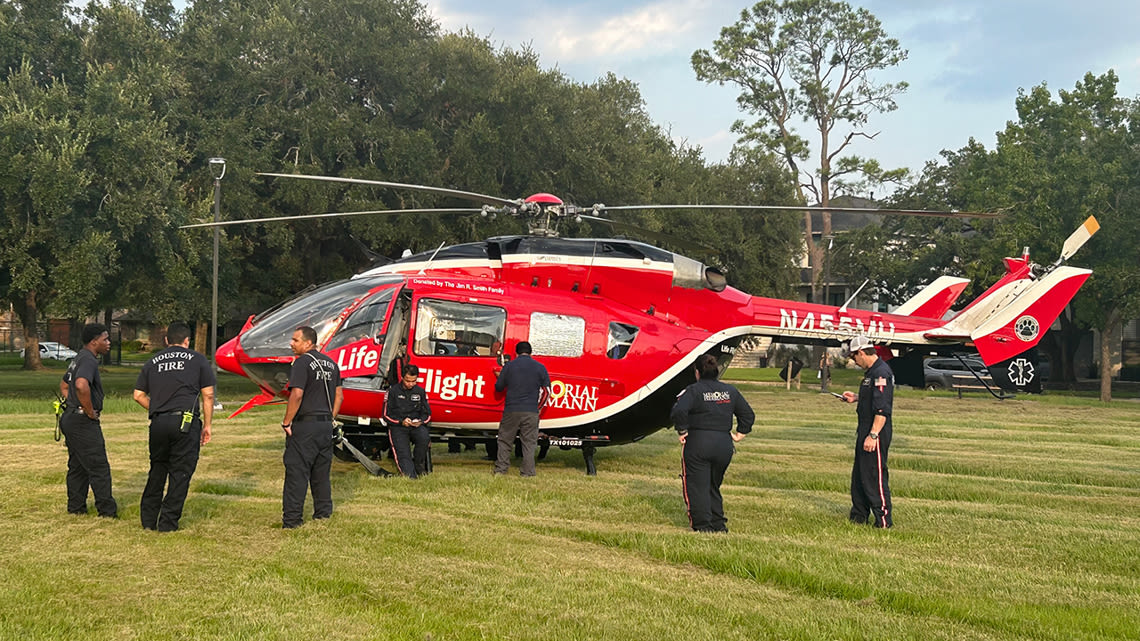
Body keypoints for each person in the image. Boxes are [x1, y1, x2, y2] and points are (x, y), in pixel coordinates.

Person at [132, 322, 216, 531]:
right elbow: (208, 394)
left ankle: (148, 520)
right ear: (187, 341)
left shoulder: (153, 361)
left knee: (158, 469)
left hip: (159, 422)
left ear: (167, 340)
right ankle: (168, 523)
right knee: (181, 472)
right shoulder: (198, 360)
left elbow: (138, 395)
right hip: (185, 422)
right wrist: (207, 425)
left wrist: (157, 408)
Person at [671, 353, 754, 533]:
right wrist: (741, 433)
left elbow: (679, 411)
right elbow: (747, 414)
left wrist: (682, 430)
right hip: (723, 445)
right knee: (712, 485)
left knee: (697, 485)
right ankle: (718, 524)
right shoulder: (730, 391)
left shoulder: (693, 390)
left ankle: (703, 526)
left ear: (697, 372)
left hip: (699, 442)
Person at [279, 326, 343, 529]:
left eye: (295, 340)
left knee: (297, 472)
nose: (291, 343)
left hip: (305, 425)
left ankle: (292, 520)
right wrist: (329, 418)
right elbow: (339, 396)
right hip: (324, 425)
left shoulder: (302, 363)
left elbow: (297, 394)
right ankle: (323, 513)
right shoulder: (332, 364)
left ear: (308, 343)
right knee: (321, 472)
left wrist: (287, 421)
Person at [58, 323, 117, 517]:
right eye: (105, 339)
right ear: (94, 341)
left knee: (78, 465)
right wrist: (88, 410)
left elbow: (64, 385)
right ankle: (107, 511)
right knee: (98, 466)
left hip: (70, 418)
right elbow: (81, 385)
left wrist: (74, 404)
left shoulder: (79, 357)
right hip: (82, 421)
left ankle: (76, 508)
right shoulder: (90, 360)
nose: (109, 343)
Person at [840, 335, 894, 528]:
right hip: (864, 429)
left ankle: (883, 520)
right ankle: (859, 516)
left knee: (874, 475)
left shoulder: (881, 374)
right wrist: (855, 398)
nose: (854, 361)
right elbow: (871, 397)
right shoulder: (871, 373)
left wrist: (873, 435)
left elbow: (882, 409)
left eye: (854, 357)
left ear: (861, 352)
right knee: (860, 475)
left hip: (875, 432)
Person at [493, 340, 550, 476]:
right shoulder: (540, 367)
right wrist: (539, 408)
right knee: (529, 443)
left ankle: (501, 470)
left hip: (511, 409)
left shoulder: (509, 366)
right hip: (531, 410)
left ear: (516, 353)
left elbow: (499, 387)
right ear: (530, 352)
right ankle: (527, 472)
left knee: (505, 440)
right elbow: (547, 392)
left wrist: (501, 377)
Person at [384, 363, 432, 478]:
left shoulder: (420, 391)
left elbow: (428, 414)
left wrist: (421, 421)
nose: (410, 384)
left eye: (413, 381)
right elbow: (386, 415)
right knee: (406, 462)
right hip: (398, 426)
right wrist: (401, 422)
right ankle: (410, 474)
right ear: (402, 378)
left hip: (415, 426)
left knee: (424, 438)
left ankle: (418, 465)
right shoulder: (392, 391)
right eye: (407, 381)